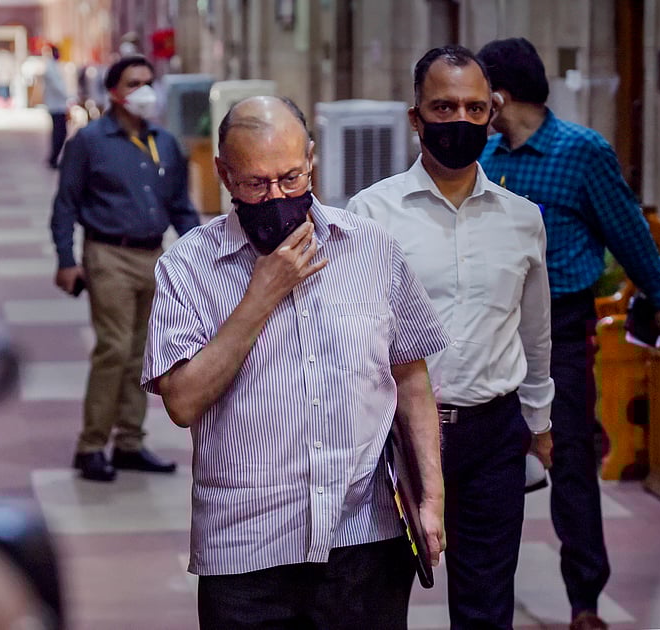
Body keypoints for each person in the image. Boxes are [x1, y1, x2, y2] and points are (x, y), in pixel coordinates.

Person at [141, 95, 449, 629]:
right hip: (244, 549)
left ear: (310, 160)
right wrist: (260, 296)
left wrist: (432, 495)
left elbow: (411, 379)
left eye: (289, 178)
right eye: (256, 184)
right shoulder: (186, 268)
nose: (277, 196)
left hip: (363, 539)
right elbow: (183, 402)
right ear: (224, 175)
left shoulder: (371, 250)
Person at [347, 45, 554, 630]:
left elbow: (534, 334)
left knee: (487, 604)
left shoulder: (522, 219)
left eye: (473, 107)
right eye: (442, 107)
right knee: (379, 599)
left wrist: (539, 425)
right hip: (396, 438)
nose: (459, 121)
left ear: (492, 113)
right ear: (416, 119)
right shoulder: (371, 215)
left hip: (493, 433)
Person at [476, 37, 660, 630]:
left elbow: (626, 231)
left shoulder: (581, 151)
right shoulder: (488, 157)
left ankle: (585, 602)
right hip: (494, 332)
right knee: (489, 467)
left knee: (566, 463)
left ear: (499, 94)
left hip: (560, 331)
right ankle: (487, 598)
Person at [51, 55, 200, 482]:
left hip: (154, 256)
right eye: (135, 83)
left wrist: (202, 254)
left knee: (142, 354)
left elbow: (180, 206)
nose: (145, 90)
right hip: (108, 254)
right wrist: (65, 259)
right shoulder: (89, 142)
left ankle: (130, 443)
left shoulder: (165, 142)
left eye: (149, 81)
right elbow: (65, 205)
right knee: (114, 349)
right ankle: (92, 445)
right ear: (114, 92)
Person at [41, 43, 70, 170]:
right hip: (55, 105)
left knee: (60, 132)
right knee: (59, 133)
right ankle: (53, 159)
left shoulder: (54, 66)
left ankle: (54, 158)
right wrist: (69, 97)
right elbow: (58, 86)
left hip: (59, 105)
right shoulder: (50, 67)